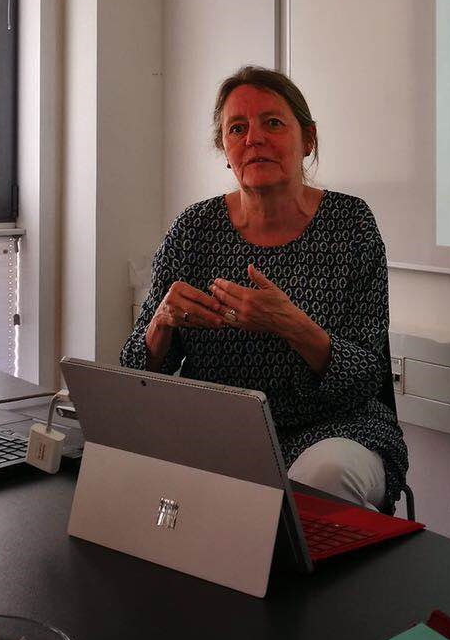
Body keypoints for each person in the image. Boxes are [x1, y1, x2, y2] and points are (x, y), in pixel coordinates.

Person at [121, 66, 408, 511]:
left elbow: (367, 376)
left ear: (308, 139)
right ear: (226, 150)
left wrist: (292, 325)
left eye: (272, 123)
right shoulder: (193, 229)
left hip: (334, 429)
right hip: (221, 433)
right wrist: (161, 321)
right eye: (237, 129)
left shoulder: (351, 226)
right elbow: (135, 370)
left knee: (323, 478)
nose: (254, 138)